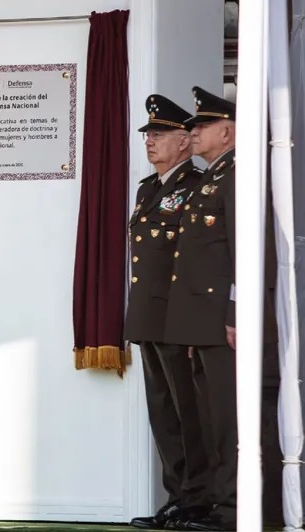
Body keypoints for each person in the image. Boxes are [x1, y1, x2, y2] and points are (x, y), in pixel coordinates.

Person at [124, 95, 209, 529]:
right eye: (148, 136)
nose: (150, 143)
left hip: (178, 320)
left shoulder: (194, 188)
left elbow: (194, 261)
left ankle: (198, 500)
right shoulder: (148, 189)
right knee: (163, 414)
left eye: (160, 135)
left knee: (187, 413)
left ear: (184, 142)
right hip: (149, 318)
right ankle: (177, 497)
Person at [164, 86, 238, 532]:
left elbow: (242, 249)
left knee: (228, 418)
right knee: (210, 417)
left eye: (202, 125)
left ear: (227, 131)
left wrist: (235, 312)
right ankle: (214, 504)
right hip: (202, 324)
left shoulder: (234, 177)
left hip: (223, 322)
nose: (193, 132)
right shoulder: (210, 179)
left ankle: (233, 510)